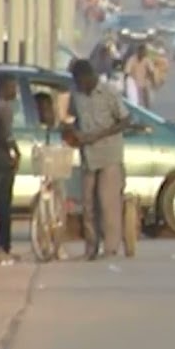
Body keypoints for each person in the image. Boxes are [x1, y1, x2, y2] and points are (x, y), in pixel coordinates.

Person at [63, 59, 132, 261]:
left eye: (80, 81)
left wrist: (100, 135)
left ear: (89, 77)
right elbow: (74, 118)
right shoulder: (76, 94)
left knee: (107, 201)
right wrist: (73, 132)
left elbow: (125, 120)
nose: (79, 85)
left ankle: (110, 247)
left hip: (109, 153)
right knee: (88, 203)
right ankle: (91, 246)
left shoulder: (109, 92)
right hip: (88, 154)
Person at [0, 74, 21, 263]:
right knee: (4, 206)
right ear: (4, 87)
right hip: (2, 161)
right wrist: (16, 153)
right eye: (13, 87)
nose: (15, 91)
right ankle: (4, 246)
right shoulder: (4, 108)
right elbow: (6, 135)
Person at [124, 42, 157, 107]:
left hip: (144, 83)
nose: (142, 53)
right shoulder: (132, 59)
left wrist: (153, 83)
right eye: (141, 51)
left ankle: (147, 111)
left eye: (144, 52)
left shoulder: (147, 60)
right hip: (134, 83)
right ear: (138, 51)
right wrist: (125, 83)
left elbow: (151, 72)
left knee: (147, 100)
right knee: (136, 101)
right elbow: (127, 72)